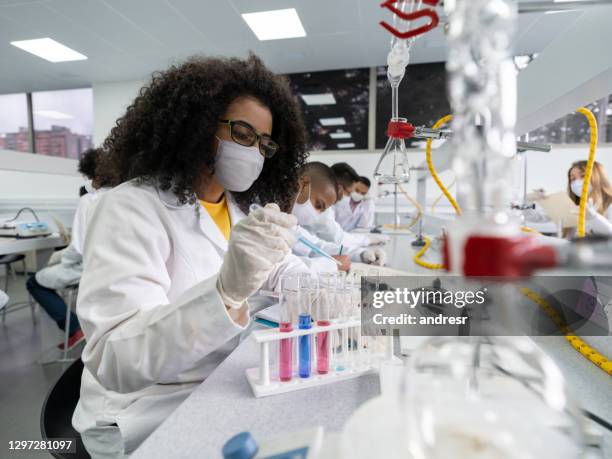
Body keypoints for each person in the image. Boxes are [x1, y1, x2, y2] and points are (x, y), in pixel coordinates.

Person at [72, 55, 314, 458]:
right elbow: (115, 358)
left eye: (264, 143)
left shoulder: (237, 209)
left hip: (216, 382)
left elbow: (282, 268)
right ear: (197, 125)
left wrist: (329, 289)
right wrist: (224, 294)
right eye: (242, 132)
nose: (254, 150)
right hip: (145, 410)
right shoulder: (130, 207)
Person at [26, 149, 107, 350]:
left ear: (90, 174)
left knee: (34, 282)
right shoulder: (125, 196)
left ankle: (73, 329)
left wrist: (61, 259)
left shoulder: (89, 200)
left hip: (85, 269)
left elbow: (78, 249)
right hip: (110, 268)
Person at [292, 162, 386, 267]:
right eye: (318, 205)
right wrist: (332, 266)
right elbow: (284, 269)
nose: (351, 196)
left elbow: (316, 247)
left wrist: (359, 254)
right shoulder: (274, 220)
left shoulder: (292, 226)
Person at [527, 160, 612, 237]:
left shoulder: (609, 204)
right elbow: (534, 217)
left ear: (598, 177)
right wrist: (528, 200)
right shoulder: (571, 205)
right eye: (573, 178)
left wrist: (594, 218)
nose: (577, 182)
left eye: (583, 176)